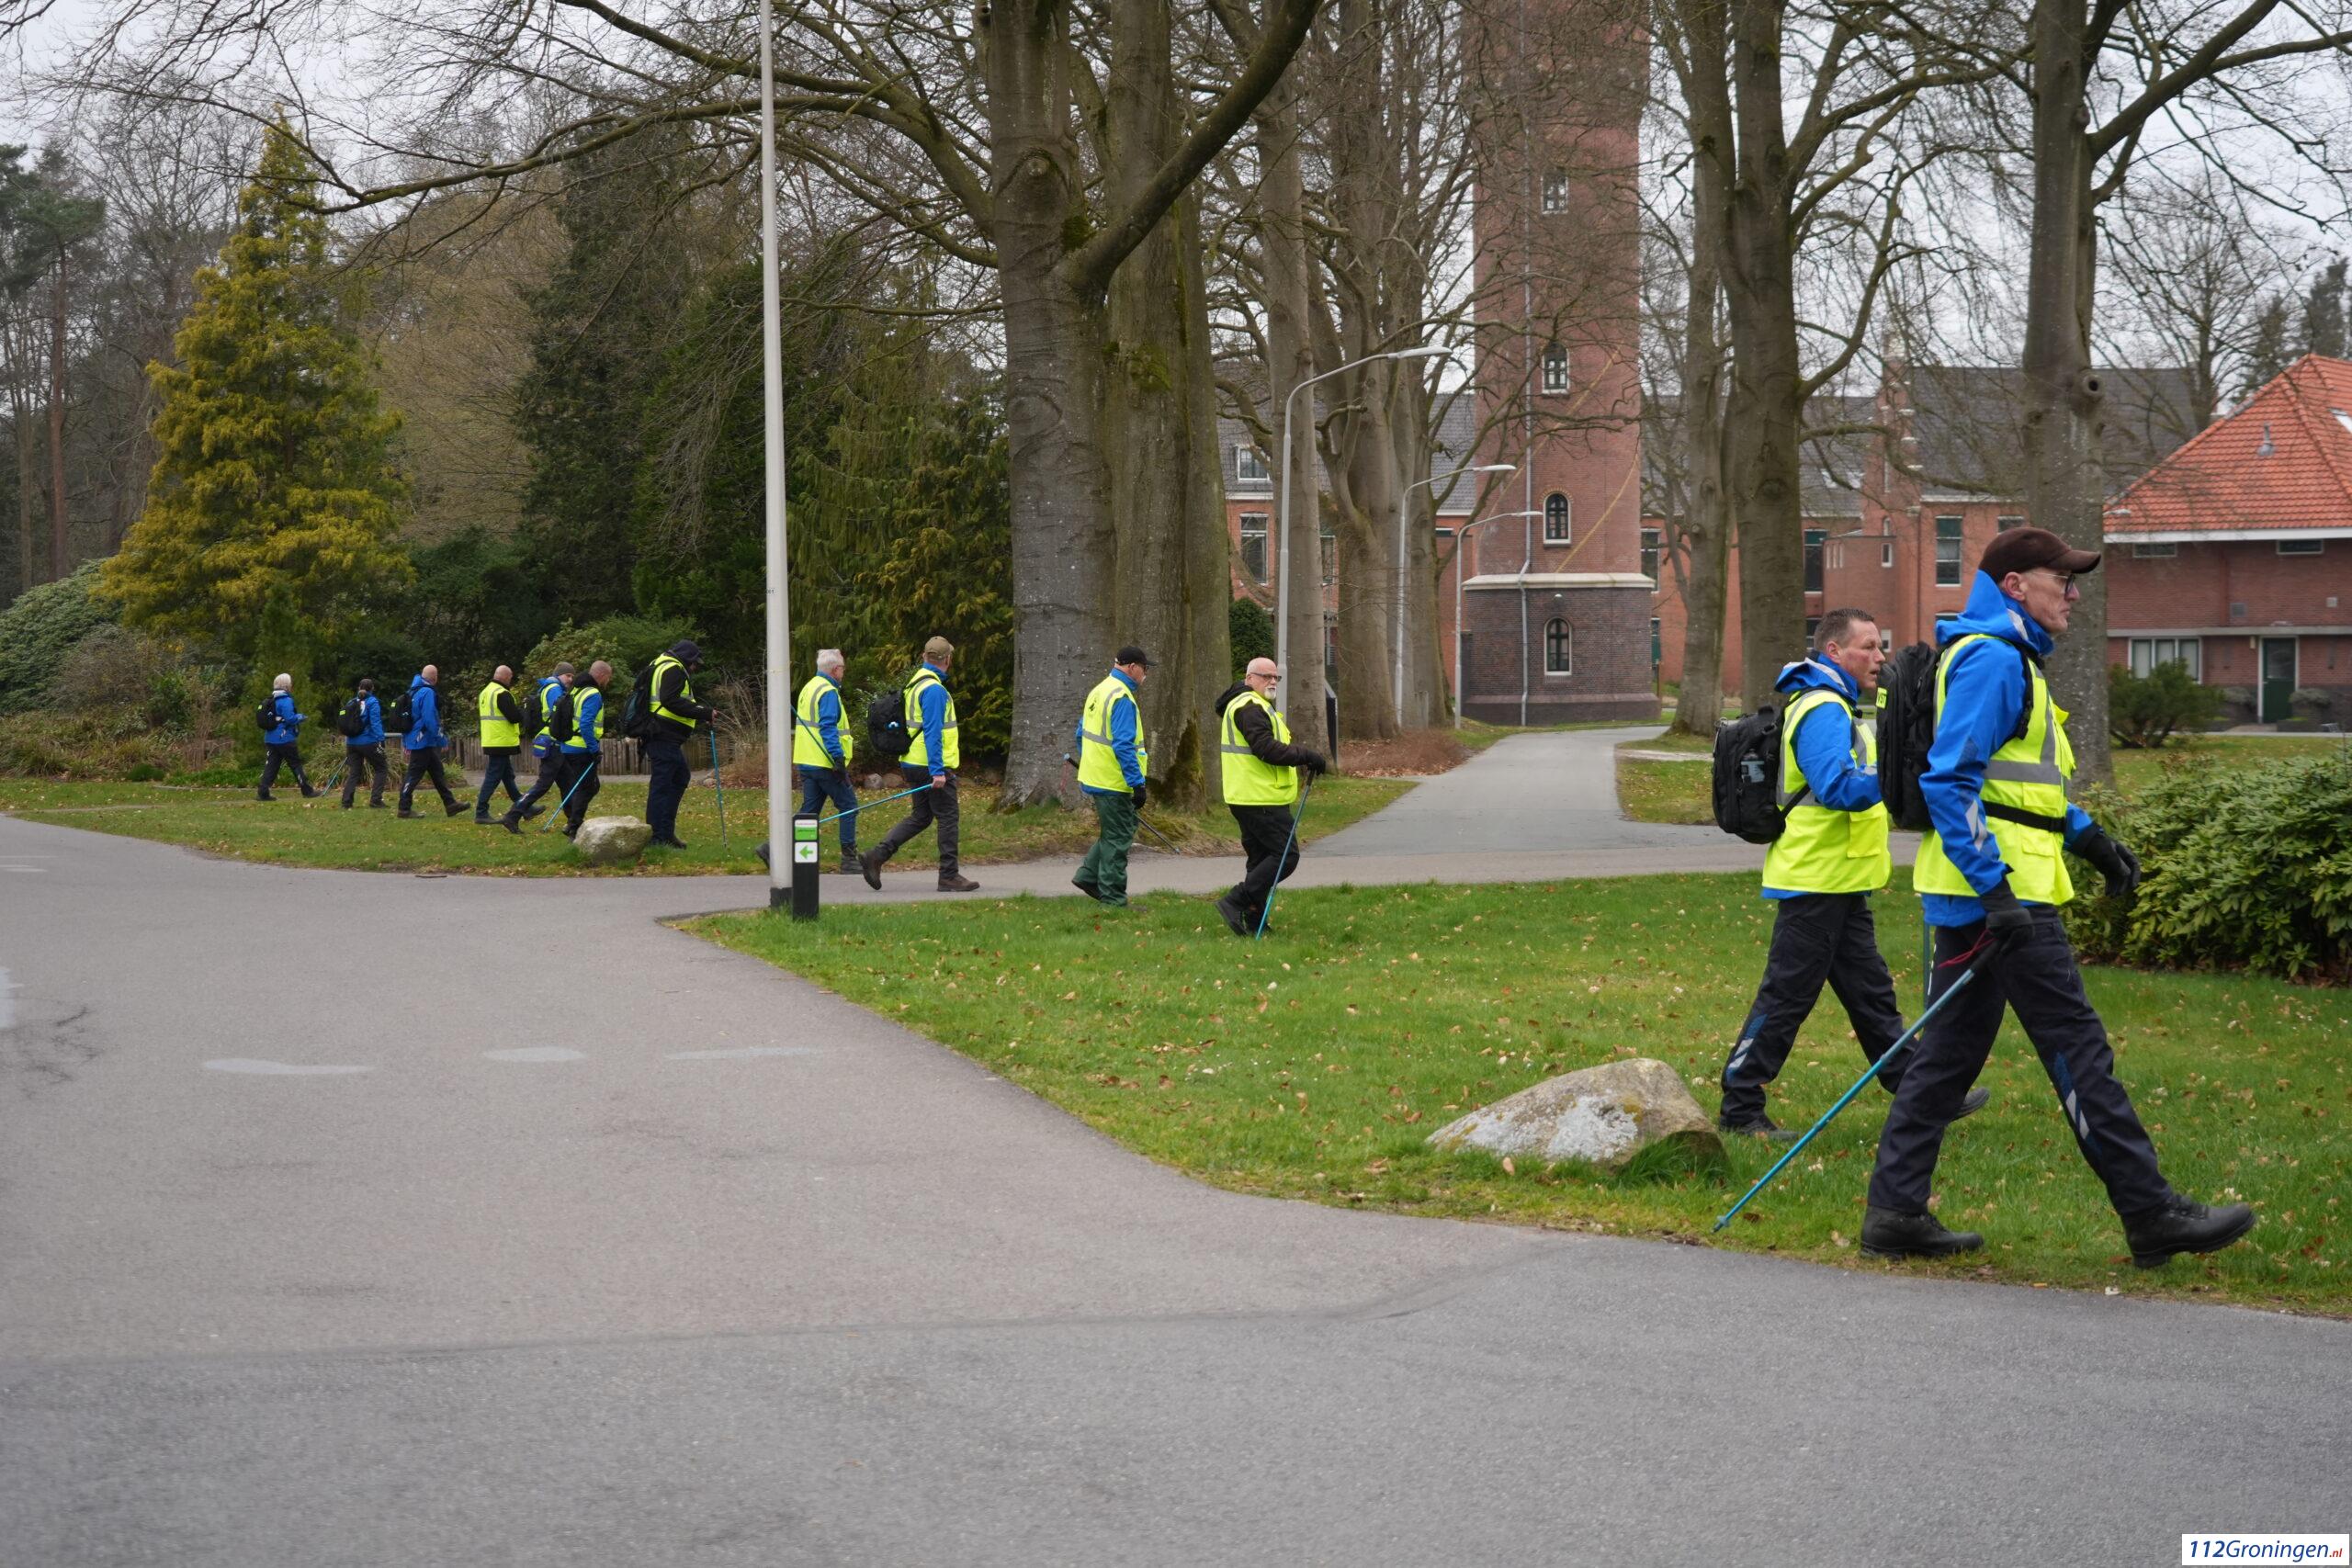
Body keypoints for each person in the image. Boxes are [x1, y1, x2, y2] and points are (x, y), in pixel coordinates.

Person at [1861, 526, 2256, 1268]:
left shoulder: (2014, 660)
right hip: (2001, 900)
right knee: (2078, 1046)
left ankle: (1894, 1211)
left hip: (1987, 893)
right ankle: (2151, 1212)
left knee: (1946, 1058)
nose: (2073, 593)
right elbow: (1951, 781)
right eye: (2061, 579)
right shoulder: (1993, 659)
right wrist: (1999, 895)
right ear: (2015, 585)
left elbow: (2026, 791)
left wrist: (2090, 838)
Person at [1715, 609, 1989, 1137]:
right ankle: (1740, 1107)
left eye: (1881, 646)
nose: (1880, 656)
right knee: (1786, 998)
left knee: (1872, 997)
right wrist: (1901, 780)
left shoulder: (1835, 704)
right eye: (1867, 646)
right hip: (1816, 883)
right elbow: (1838, 786)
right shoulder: (1822, 708)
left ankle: (1917, 1091)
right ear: (1834, 652)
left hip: (1840, 882)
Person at [1210, 658, 1326, 937]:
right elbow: (1266, 749)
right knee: (1286, 856)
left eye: (1276, 677)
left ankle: (1254, 920)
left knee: (1260, 859)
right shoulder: (1249, 707)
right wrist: (1306, 755)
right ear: (1249, 678)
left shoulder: (1248, 704)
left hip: (1247, 795)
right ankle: (1236, 900)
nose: (1272, 681)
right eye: (1266, 676)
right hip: (1260, 797)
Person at [861, 636, 978, 893]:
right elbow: (933, 732)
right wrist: (938, 770)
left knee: (921, 816)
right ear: (947, 660)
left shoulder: (915, 684)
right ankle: (949, 876)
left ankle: (876, 856)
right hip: (930, 765)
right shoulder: (935, 690)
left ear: (925, 657)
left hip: (912, 761)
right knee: (948, 817)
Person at [758, 648, 858, 874]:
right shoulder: (829, 692)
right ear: (835, 669)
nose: (844, 672)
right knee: (849, 807)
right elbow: (828, 726)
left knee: (809, 813)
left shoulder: (810, 687)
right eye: (842, 668)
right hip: (826, 762)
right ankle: (849, 860)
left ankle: (775, 850)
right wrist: (838, 758)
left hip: (807, 760)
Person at [1072, 645, 1152, 908]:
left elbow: (1080, 735)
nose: (1145, 675)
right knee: (1119, 837)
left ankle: (1087, 876)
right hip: (1114, 782)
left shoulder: (1099, 691)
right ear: (1133, 668)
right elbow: (1123, 745)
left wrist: (1093, 763)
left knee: (1113, 831)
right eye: (1145, 669)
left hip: (1095, 778)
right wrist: (1137, 783)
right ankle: (1113, 897)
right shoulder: (1123, 698)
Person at [643, 639, 716, 851]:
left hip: (661, 734)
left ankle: (664, 832)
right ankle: (658, 836)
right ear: (686, 658)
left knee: (678, 778)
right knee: (662, 785)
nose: (694, 667)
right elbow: (670, 701)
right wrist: (703, 712)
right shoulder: (674, 668)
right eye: (694, 663)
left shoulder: (658, 663)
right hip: (663, 735)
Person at [501, 662, 573, 832]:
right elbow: (559, 715)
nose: (570, 679)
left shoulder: (548, 687)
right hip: (553, 743)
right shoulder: (555, 689)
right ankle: (512, 815)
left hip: (553, 742)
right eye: (567, 675)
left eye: (572, 676)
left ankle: (574, 822)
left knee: (568, 783)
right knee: (543, 784)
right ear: (558, 675)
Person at [397, 663, 466, 819]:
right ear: (435, 677)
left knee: (437, 773)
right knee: (413, 775)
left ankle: (450, 804)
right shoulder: (427, 692)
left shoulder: (412, 691)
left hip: (419, 739)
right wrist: (440, 739)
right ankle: (404, 808)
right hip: (423, 740)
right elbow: (430, 718)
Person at [555, 660, 611, 838]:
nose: (608, 682)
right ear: (602, 675)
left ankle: (573, 822)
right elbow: (586, 724)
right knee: (587, 787)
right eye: (608, 678)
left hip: (568, 745)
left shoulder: (577, 690)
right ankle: (573, 825)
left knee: (586, 786)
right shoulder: (593, 694)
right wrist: (594, 749)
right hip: (582, 748)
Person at [472, 664, 526, 824]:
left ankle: (524, 806)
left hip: (491, 739)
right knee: (493, 777)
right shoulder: (502, 693)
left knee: (507, 776)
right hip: (502, 741)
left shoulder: (486, 692)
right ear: (506, 677)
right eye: (510, 678)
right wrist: (525, 709)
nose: (511, 681)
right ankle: (481, 812)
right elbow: (514, 716)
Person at [255, 673, 318, 801]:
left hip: (270, 739)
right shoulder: (286, 700)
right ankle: (307, 790)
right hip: (285, 738)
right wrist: (300, 717)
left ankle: (263, 792)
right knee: (295, 764)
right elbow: (290, 719)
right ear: (287, 686)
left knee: (271, 766)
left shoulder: (271, 700)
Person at [339, 676, 389, 809]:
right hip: (368, 741)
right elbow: (375, 722)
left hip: (351, 743)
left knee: (354, 772)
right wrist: (381, 740)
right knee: (381, 768)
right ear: (372, 689)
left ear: (358, 688)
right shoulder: (372, 702)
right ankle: (376, 799)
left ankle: (346, 801)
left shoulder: (351, 701)